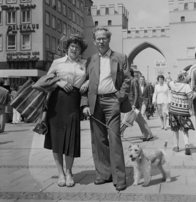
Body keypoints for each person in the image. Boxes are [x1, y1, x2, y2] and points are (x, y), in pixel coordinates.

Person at [81, 27, 131, 191]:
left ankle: (120, 178)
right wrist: (85, 104)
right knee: (98, 140)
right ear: (94, 41)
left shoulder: (120, 57)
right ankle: (104, 174)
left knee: (114, 138)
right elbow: (83, 84)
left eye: (104, 38)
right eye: (98, 39)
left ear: (109, 40)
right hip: (95, 102)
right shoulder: (90, 60)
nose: (101, 41)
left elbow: (127, 80)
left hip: (112, 101)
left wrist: (119, 98)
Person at [44, 35, 88, 187]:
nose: (74, 49)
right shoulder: (57, 62)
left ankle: (69, 172)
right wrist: (59, 82)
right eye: (72, 47)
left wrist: (87, 82)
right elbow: (46, 81)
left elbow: (92, 77)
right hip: (57, 101)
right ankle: (60, 173)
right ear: (67, 48)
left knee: (71, 138)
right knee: (56, 138)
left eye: (77, 47)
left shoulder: (85, 64)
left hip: (74, 101)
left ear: (81, 50)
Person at [168, 71, 196, 155]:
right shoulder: (186, 86)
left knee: (175, 129)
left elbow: (168, 82)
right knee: (185, 129)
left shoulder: (172, 84)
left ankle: (176, 147)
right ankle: (186, 145)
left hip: (173, 110)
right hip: (183, 111)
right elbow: (191, 97)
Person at [122, 68, 153, 141]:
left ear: (130, 73)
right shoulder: (130, 80)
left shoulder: (134, 80)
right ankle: (147, 134)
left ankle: (148, 134)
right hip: (131, 103)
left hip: (133, 104)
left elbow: (136, 93)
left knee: (136, 119)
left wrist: (134, 104)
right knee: (139, 120)